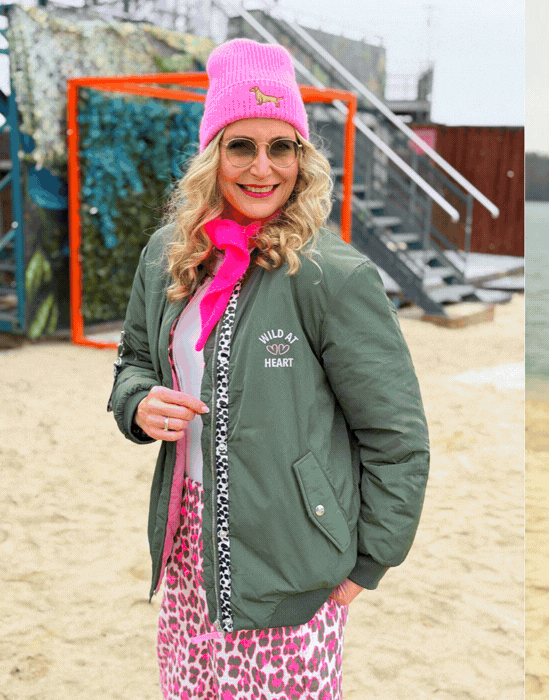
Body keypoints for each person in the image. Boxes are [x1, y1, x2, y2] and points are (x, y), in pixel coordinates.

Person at [108, 38, 429, 699]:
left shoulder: (330, 276)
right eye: (241, 146)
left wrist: (372, 558)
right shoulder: (169, 255)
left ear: (302, 158)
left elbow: (396, 434)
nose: (263, 167)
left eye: (281, 146)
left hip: (292, 555)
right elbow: (134, 361)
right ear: (211, 155)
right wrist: (138, 403)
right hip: (188, 539)